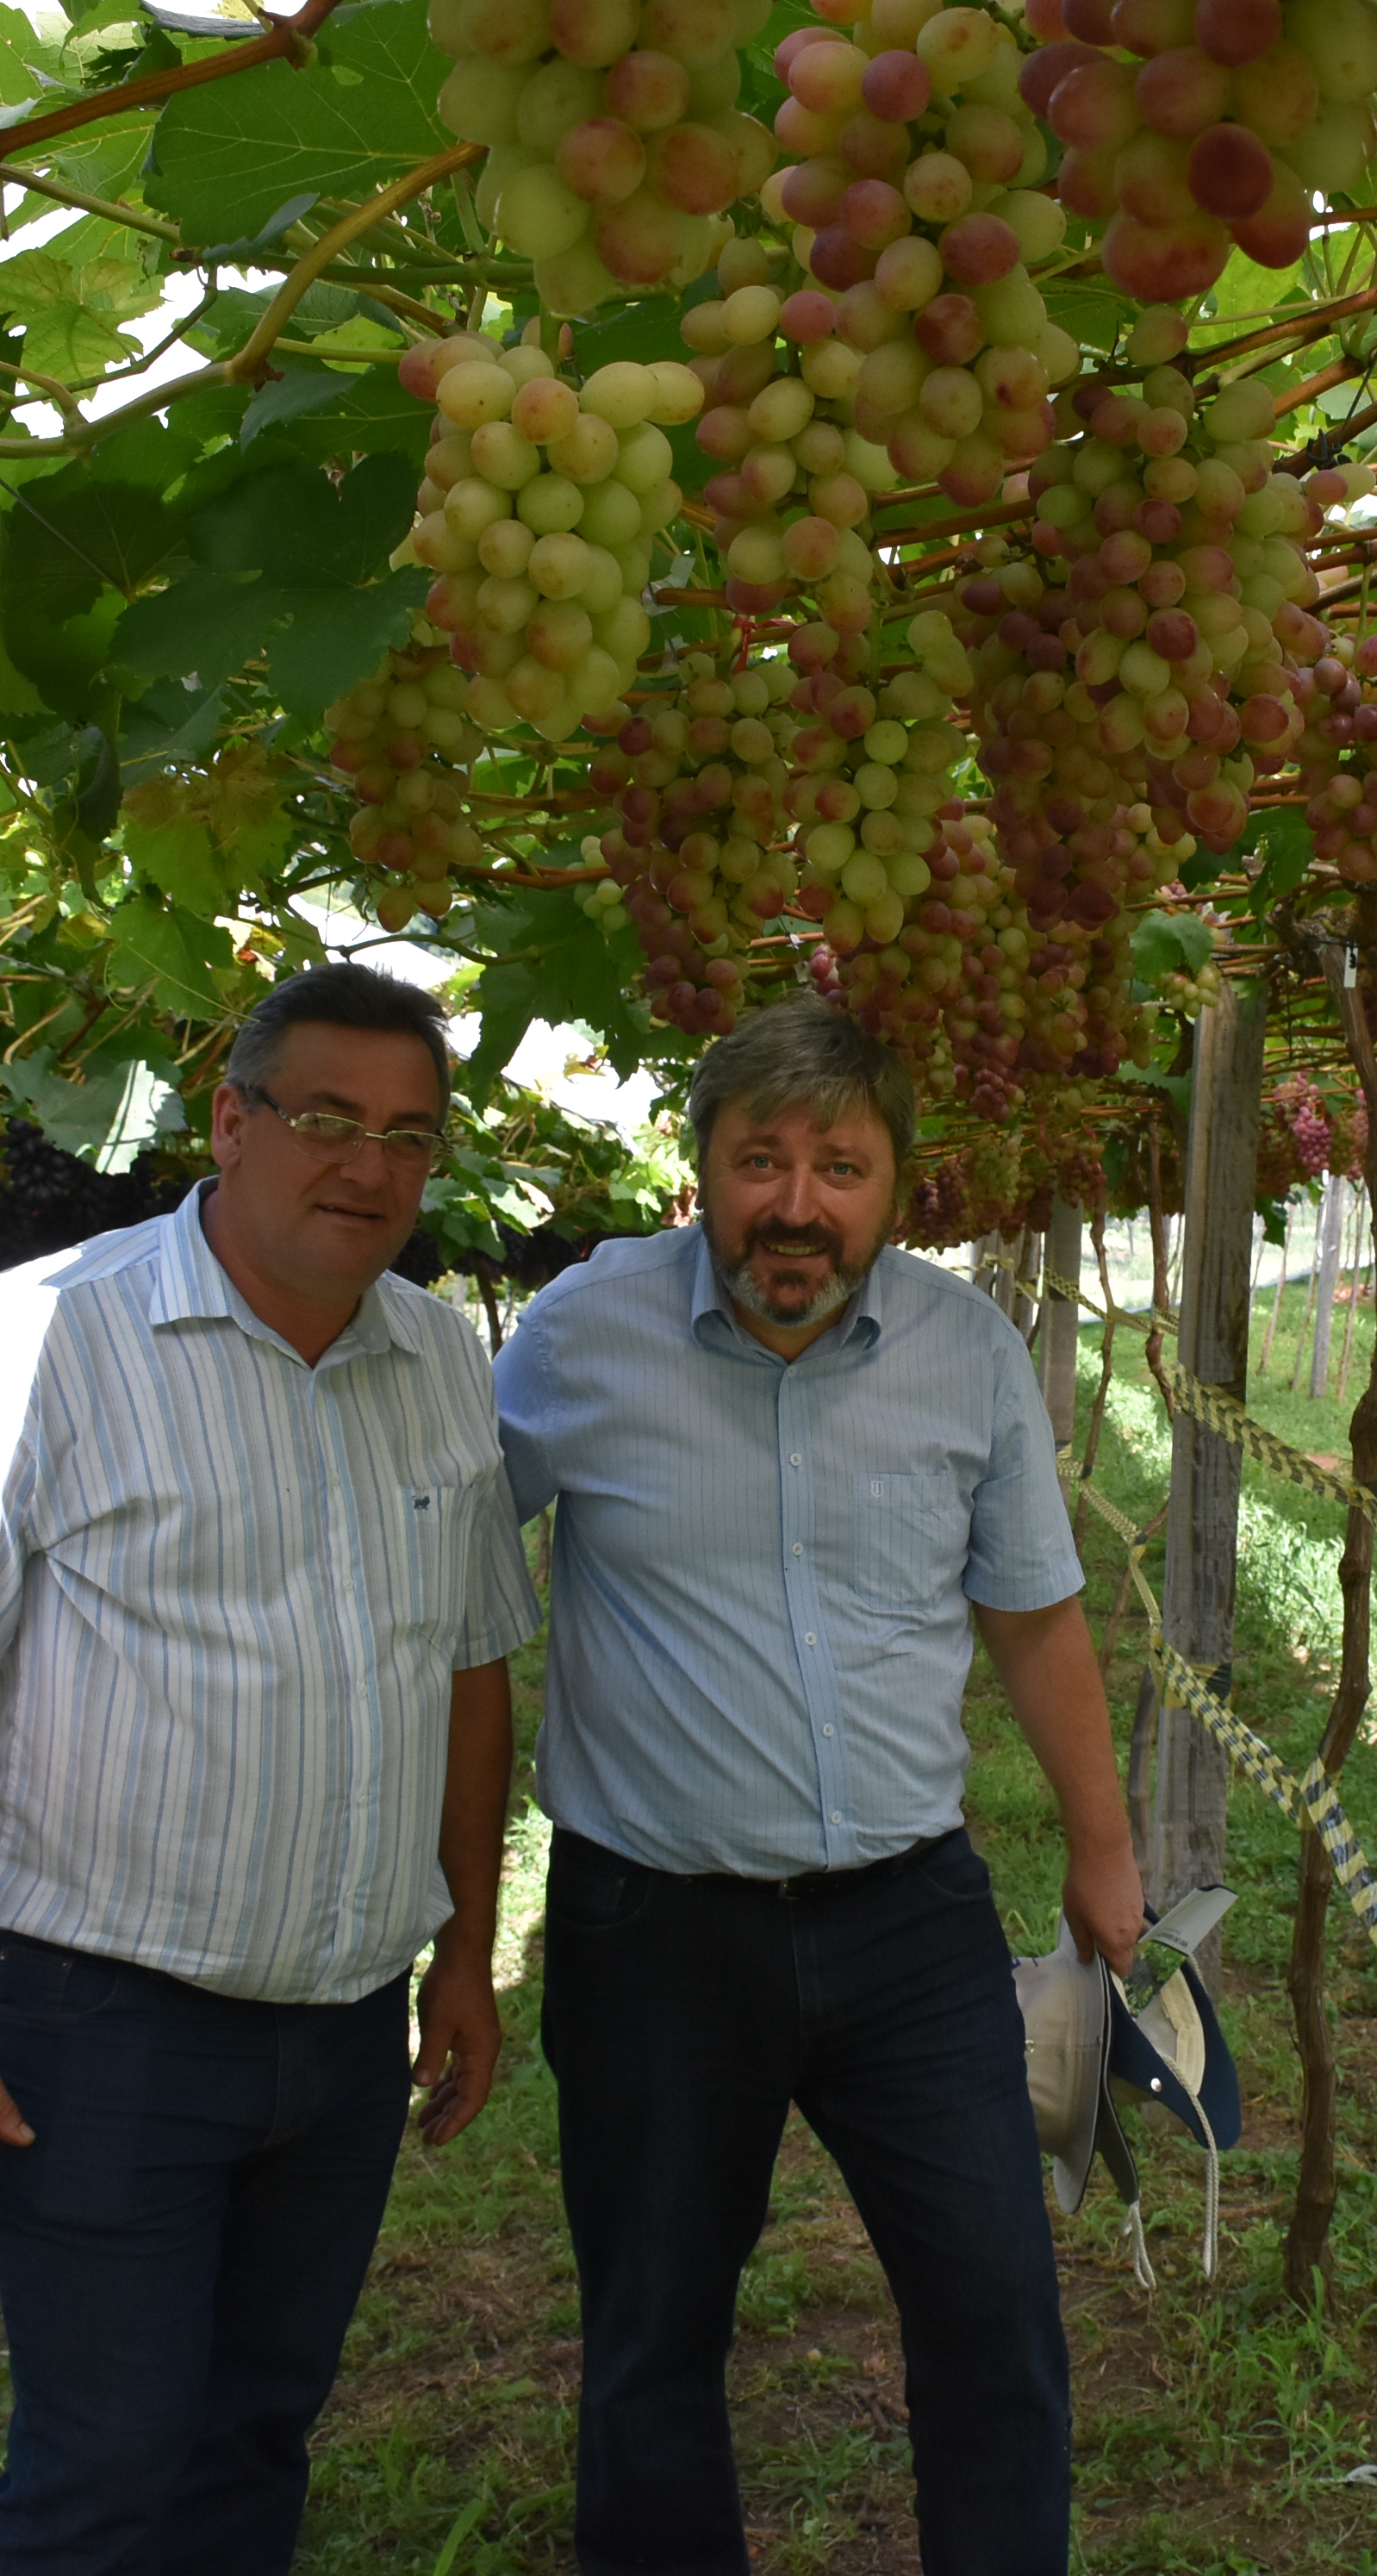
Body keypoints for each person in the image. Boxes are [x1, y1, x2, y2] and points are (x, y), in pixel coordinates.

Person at [0, 964, 539, 2576]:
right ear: (229, 1119)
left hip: (346, 2035)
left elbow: (472, 1665)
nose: (368, 1167)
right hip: (110, 2033)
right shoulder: (34, 1342)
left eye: (409, 1138)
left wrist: (468, 1951)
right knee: (99, 2479)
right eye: (326, 1119)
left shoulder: (437, 1358)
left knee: (252, 2450)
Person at [495, 995, 1143, 2576]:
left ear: (895, 1188)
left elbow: (1034, 1612)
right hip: (651, 1928)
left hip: (906, 1923)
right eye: (759, 1159)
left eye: (839, 1166)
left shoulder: (965, 1350)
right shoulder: (578, 1339)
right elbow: (434, 1576)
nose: (797, 1204)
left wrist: (1101, 1848)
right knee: (651, 2336)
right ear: (702, 1171)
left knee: (995, 2315)